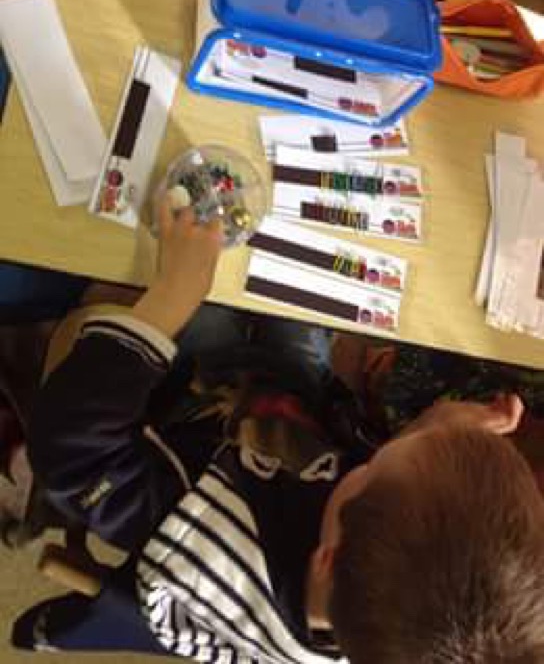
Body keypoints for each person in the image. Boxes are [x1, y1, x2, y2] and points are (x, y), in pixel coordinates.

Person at [13, 197, 544, 663]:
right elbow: (386, 489)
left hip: (198, 412)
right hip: (293, 412)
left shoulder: (203, 542)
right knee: (300, 273)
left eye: (376, 466)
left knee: (209, 301)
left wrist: (174, 294)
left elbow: (72, 449)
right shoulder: (379, 598)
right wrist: (433, 430)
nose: (382, 453)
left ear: (327, 556)